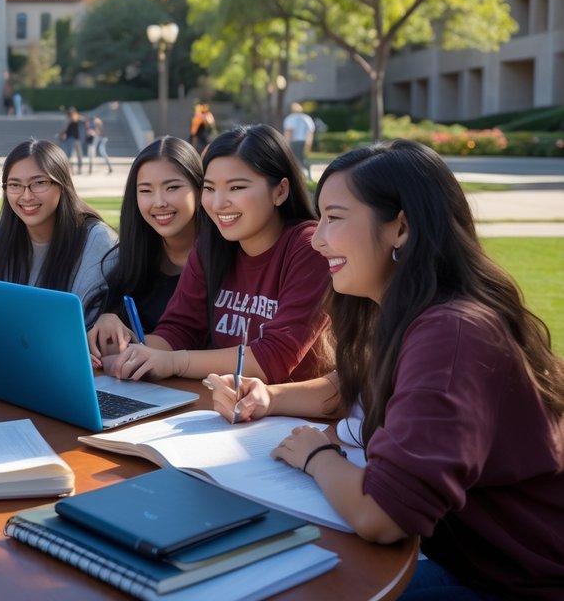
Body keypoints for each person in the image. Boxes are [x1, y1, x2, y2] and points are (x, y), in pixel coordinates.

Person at [206, 140, 564, 598]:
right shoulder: (411, 310)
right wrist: (270, 396)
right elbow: (358, 385)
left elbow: (381, 516)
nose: (316, 239)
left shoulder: (452, 333)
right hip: (465, 556)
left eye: (334, 218)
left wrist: (317, 456)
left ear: (401, 227)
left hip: (516, 581)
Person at [108, 124, 331, 384]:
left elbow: (274, 358)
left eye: (236, 188)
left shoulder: (310, 248)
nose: (218, 203)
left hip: (292, 407)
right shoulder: (210, 245)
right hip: (224, 402)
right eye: (210, 188)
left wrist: (176, 361)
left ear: (280, 191)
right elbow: (179, 329)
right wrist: (122, 352)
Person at [0, 139, 117, 326]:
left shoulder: (97, 240)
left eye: (39, 183)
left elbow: (89, 323)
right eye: (15, 185)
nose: (26, 196)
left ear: (62, 185)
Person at [87, 137, 202, 366]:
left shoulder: (224, 260)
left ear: (200, 191)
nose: (159, 202)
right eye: (146, 190)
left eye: (172, 188)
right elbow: (129, 349)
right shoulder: (135, 258)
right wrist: (109, 324)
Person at [283, 101, 317, 180]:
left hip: (294, 142)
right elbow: (310, 132)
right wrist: (309, 143)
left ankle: (297, 176)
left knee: (295, 160)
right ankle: (307, 174)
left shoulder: (290, 118)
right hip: (303, 142)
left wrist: (286, 144)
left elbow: (289, 132)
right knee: (302, 158)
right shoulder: (307, 118)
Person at [60, 107, 85, 172]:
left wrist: (77, 117)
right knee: (69, 154)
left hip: (76, 138)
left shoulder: (77, 117)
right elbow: (66, 129)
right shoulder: (68, 120)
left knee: (79, 154)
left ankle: (79, 168)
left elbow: (83, 120)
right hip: (70, 139)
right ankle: (67, 168)